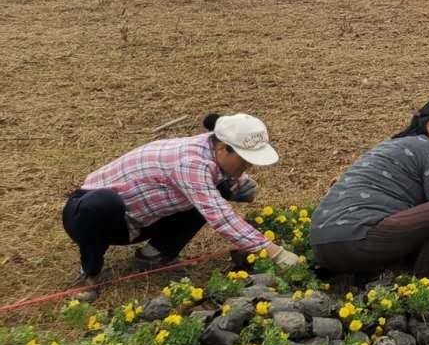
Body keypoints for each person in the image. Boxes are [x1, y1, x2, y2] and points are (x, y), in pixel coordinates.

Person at [63, 112, 298, 291]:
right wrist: (273, 252)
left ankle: (155, 254)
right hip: (90, 215)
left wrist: (236, 184)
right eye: (245, 161)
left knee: (218, 190)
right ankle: (89, 272)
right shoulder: (190, 162)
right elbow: (220, 216)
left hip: (139, 219)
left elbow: (212, 186)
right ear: (224, 149)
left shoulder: (211, 148)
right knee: (103, 204)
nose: (250, 166)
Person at [310, 99, 429, 282]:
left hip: (323, 247)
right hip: (358, 240)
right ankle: (420, 286)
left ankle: (376, 277)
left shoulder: (390, 146)